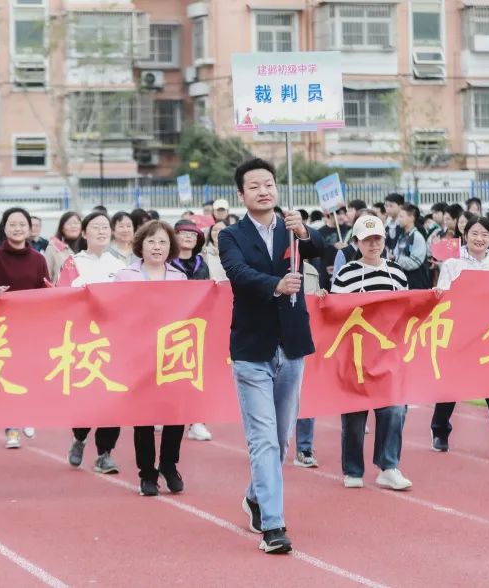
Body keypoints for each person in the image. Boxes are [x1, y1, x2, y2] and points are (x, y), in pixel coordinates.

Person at [218, 158, 325, 555]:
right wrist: (276, 285)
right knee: (262, 439)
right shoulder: (230, 235)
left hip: (292, 345)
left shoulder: (292, 229)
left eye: (269, 183)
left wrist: (307, 231)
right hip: (251, 350)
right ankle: (274, 527)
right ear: (242, 194)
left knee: (280, 440)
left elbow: (324, 251)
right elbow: (238, 273)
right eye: (255, 186)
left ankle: (254, 497)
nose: (264, 190)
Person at [332, 215, 413, 492]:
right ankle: (353, 469)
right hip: (355, 355)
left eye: (377, 238)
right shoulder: (346, 274)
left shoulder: (397, 272)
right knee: (354, 415)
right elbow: (334, 312)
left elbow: (408, 309)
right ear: (357, 242)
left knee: (394, 409)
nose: (373, 244)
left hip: (388, 354)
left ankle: (389, 466)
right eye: (367, 240)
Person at [430, 217, 489, 458]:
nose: (479, 239)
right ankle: (439, 430)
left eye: (484, 235)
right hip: (458, 333)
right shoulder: (452, 263)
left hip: (488, 333)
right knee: (452, 387)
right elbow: (443, 296)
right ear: (465, 234)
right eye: (475, 233)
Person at [114, 220, 189, 497]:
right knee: (143, 416)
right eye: (151, 241)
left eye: (163, 242)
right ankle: (147, 473)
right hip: (139, 356)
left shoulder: (179, 278)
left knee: (176, 412)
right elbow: (114, 312)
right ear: (140, 245)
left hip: (172, 355)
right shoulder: (125, 276)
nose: (157, 247)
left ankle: (169, 465)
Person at [0, 207, 49, 448]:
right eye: (12, 224)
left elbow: (44, 290)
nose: (17, 228)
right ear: (4, 228)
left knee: (30, 374)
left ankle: (29, 414)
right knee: (10, 377)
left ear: (29, 228)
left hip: (29, 326)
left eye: (22, 224)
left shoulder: (38, 259)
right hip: (2, 326)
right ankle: (12, 427)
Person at [67, 212, 126, 474]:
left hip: (114, 340)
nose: (102, 231)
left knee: (113, 399)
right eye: (95, 227)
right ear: (84, 233)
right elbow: (63, 297)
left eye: (105, 227)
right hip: (83, 340)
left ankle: (105, 453)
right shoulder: (73, 263)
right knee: (86, 398)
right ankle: (79, 437)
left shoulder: (120, 264)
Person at [171, 220, 214, 441]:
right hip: (171, 327)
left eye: (193, 234)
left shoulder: (202, 264)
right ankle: (168, 414)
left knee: (197, 374)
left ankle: (197, 420)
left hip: (196, 327)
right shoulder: (167, 263)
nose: (189, 237)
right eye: (184, 233)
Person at [392, 204, 430, 289]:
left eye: (401, 216)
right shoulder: (402, 236)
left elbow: (415, 263)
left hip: (417, 284)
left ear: (412, 218)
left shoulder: (417, 237)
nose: (399, 220)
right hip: (404, 282)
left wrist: (395, 258)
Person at [46, 212, 81, 283]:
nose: (73, 226)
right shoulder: (53, 249)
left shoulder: (88, 246)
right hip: (61, 292)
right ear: (62, 228)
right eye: (69, 223)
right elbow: (47, 277)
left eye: (76, 223)